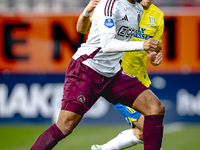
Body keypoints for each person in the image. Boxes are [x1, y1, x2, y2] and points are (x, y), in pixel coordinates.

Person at [30, 0, 165, 150]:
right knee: (65, 126)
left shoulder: (138, 9)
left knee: (155, 108)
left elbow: (124, 40)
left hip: (113, 74)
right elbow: (107, 45)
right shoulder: (110, 4)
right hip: (87, 69)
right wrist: (142, 45)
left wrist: (149, 53)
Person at [76, 0, 164, 150]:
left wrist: (154, 58)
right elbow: (81, 29)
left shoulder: (157, 16)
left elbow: (153, 51)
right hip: (117, 80)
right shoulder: (115, 6)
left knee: (145, 131)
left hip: (140, 80)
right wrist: (86, 12)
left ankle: (103, 149)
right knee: (149, 128)